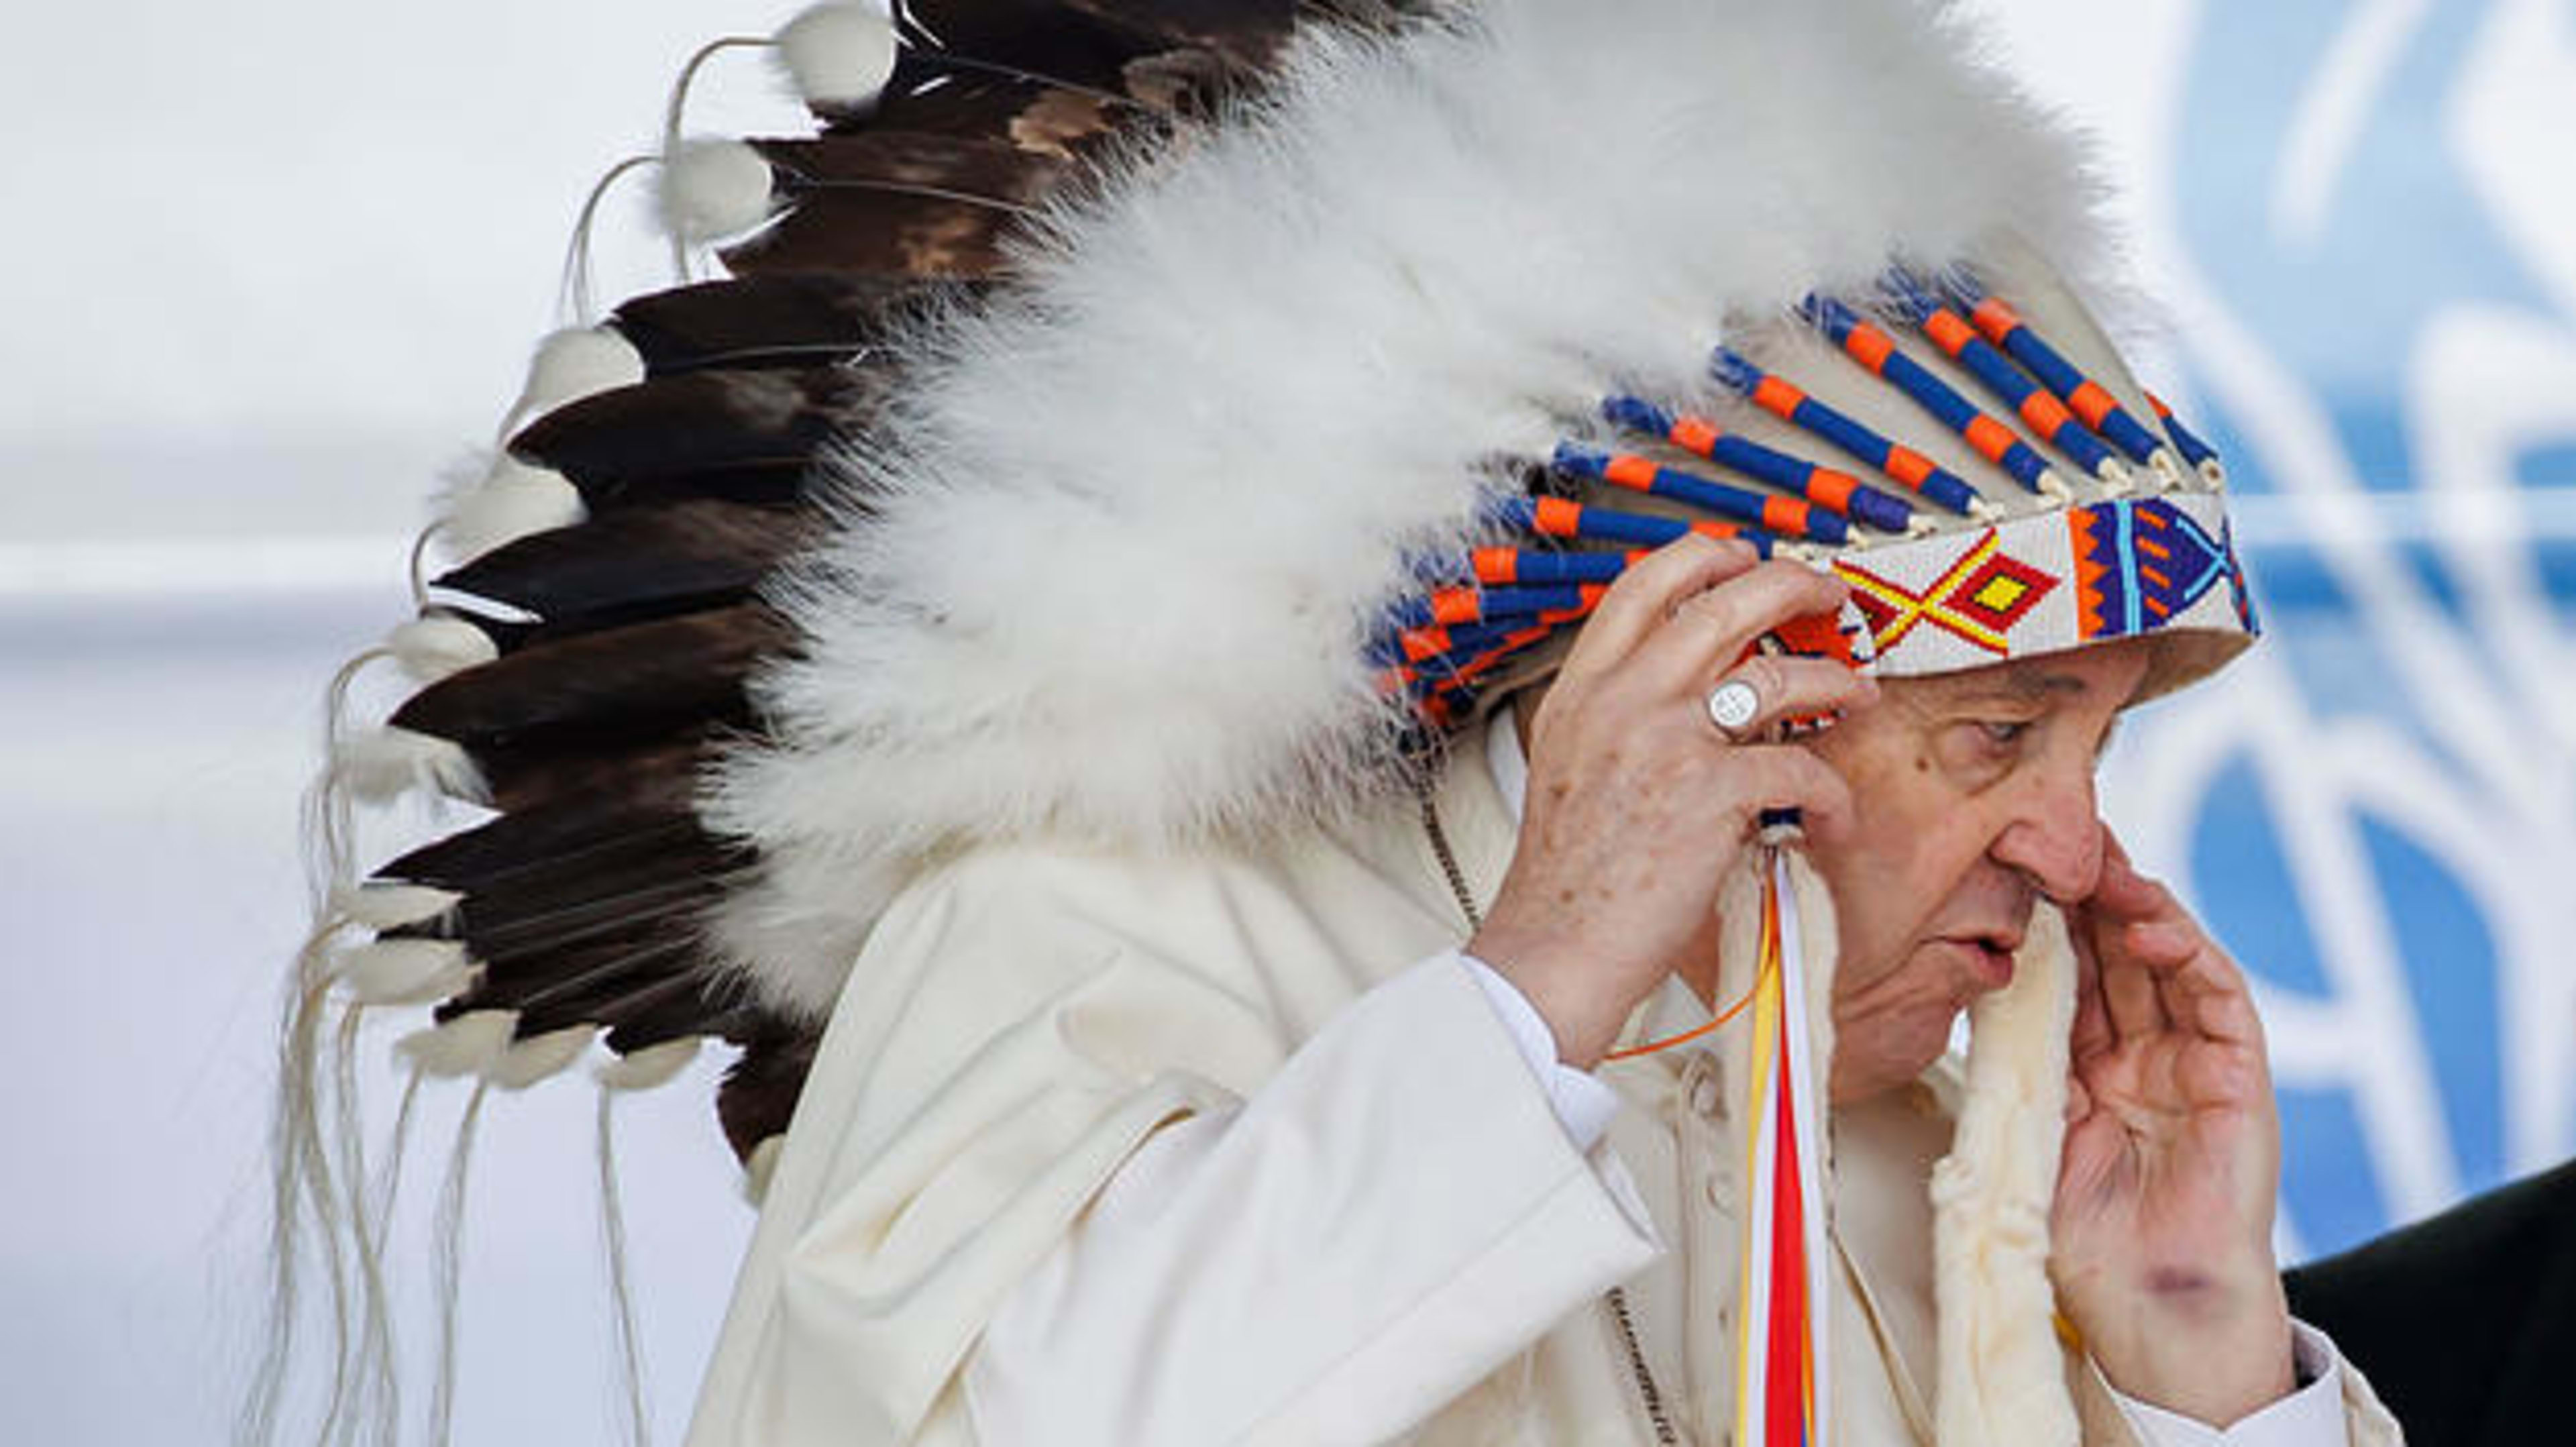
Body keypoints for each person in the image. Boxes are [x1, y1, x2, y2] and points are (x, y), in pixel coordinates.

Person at [285, 1, 2413, 1443]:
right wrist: (1535, 999)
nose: (2081, 857)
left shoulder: (1940, 1159)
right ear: (1706, 684)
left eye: (2098, 750)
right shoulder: (1086, 940)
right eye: (1998, 738)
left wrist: (2198, 1366)